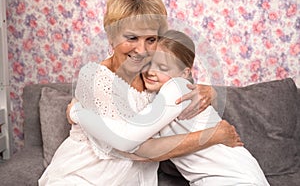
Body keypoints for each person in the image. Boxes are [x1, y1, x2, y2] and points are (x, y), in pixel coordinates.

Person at [39, 0, 241, 185]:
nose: (142, 50)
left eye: (151, 39)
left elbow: (183, 87)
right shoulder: (95, 78)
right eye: (132, 38)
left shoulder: (152, 76)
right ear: (111, 36)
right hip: (85, 177)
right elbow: (136, 149)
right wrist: (213, 137)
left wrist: (210, 92)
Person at [71, 30, 269, 185]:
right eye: (149, 63)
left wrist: (76, 112)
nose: (151, 72)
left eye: (163, 68)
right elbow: (137, 148)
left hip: (236, 178)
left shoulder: (177, 88)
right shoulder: (155, 97)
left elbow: (128, 141)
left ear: (184, 73)